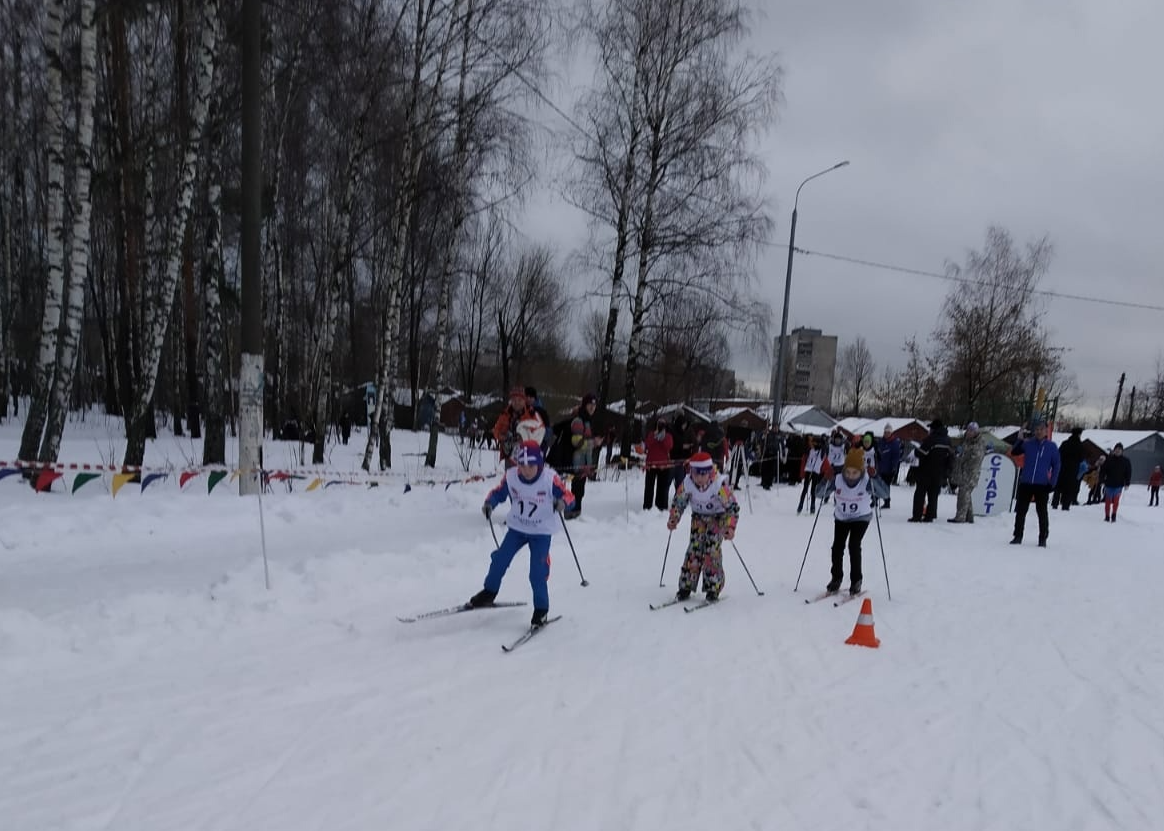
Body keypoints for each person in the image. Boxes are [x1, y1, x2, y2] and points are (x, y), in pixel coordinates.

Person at [468, 441, 573, 627]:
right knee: (499, 560)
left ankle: (541, 609)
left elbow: (568, 496)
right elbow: (498, 492)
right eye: (521, 465)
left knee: (537, 572)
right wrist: (489, 503)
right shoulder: (512, 477)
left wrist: (563, 503)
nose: (525, 470)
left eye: (530, 466)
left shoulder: (549, 478)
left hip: (541, 532)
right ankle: (489, 592)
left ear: (539, 464)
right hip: (517, 528)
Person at [666, 451, 740, 602]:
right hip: (698, 519)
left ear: (710, 472)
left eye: (703, 474)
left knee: (711, 552)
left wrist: (730, 527)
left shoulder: (718, 485)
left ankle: (713, 589)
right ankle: (685, 586)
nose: (699, 478)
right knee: (694, 551)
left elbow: (732, 507)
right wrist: (674, 517)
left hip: (717, 519)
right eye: (696, 474)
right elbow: (679, 501)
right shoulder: (688, 483)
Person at [816, 448, 889, 596]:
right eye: (848, 472)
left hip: (860, 518)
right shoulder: (837, 479)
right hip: (841, 517)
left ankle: (856, 581)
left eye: (855, 473)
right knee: (837, 547)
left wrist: (876, 478)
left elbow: (885, 494)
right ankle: (836, 578)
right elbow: (818, 493)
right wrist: (826, 479)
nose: (850, 476)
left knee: (854, 545)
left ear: (861, 471)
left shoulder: (867, 481)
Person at [1009, 418, 1061, 547]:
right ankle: (1018, 535)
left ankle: (1042, 538)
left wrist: (1052, 483)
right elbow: (1015, 452)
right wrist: (1020, 438)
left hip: (1042, 484)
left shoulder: (1051, 447)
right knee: (1021, 511)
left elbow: (1057, 465)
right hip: (1026, 482)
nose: (1038, 432)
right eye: (1036, 429)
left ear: (1046, 431)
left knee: (1042, 512)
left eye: (1041, 429)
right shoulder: (1028, 444)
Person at [565, 392, 602, 519]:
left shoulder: (587, 420)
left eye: (594, 405)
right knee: (577, 489)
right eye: (590, 404)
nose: (592, 407)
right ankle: (571, 513)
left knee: (580, 490)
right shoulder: (578, 420)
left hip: (584, 462)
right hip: (577, 461)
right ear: (584, 405)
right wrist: (593, 442)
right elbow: (577, 442)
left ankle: (576, 512)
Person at [909, 419, 952, 522]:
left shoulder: (931, 439)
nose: (930, 429)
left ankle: (917, 515)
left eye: (931, 428)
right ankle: (930, 515)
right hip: (939, 472)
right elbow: (950, 456)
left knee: (920, 494)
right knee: (933, 495)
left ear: (934, 429)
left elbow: (921, 453)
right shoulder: (947, 440)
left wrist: (915, 450)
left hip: (926, 471)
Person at [492, 388, 547, 466]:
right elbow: (496, 430)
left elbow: (541, 430)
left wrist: (525, 438)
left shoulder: (533, 414)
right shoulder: (505, 413)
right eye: (514, 400)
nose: (516, 403)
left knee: (526, 476)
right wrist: (500, 436)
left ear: (524, 401)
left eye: (519, 400)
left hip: (528, 454)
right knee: (511, 476)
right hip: (509, 454)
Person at [948, 422, 986, 523]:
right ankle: (969, 517)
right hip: (963, 472)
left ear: (976, 432)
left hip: (970, 473)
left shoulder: (979, 443)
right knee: (966, 495)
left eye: (971, 431)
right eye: (968, 430)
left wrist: (962, 459)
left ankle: (960, 517)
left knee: (963, 495)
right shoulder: (967, 442)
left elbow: (975, 458)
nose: (969, 432)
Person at [643, 418, 673, 511]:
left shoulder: (668, 436)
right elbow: (647, 445)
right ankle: (647, 506)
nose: (660, 426)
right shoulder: (651, 434)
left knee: (662, 487)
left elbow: (669, 446)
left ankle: (661, 507)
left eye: (662, 425)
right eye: (659, 424)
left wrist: (662, 438)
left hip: (663, 465)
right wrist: (655, 436)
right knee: (649, 487)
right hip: (651, 464)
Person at [1099, 443, 1133, 522]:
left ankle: (1114, 515)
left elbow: (1128, 472)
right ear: (1114, 450)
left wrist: (1127, 483)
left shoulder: (1126, 461)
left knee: (1116, 501)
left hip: (1119, 484)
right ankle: (1107, 516)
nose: (1117, 451)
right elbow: (1103, 471)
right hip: (1109, 484)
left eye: (1119, 450)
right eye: (1116, 450)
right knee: (1108, 501)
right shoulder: (1109, 459)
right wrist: (1102, 480)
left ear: (1122, 451)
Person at [1053, 427, 1085, 510]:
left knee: (1058, 487)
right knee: (1069, 488)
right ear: (1079, 434)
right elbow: (1081, 458)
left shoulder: (1065, 443)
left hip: (1062, 468)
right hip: (1073, 470)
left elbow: (1059, 454)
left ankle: (1055, 503)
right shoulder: (1080, 446)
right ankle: (1065, 505)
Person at [876, 425, 903, 509]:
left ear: (891, 433)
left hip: (888, 468)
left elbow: (896, 456)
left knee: (885, 486)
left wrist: (894, 467)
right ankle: (875, 500)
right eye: (885, 432)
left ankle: (887, 501)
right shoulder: (881, 441)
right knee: (877, 484)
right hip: (880, 467)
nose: (886, 434)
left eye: (888, 432)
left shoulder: (894, 443)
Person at [797, 435, 825, 514]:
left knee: (813, 490)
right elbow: (805, 450)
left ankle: (812, 506)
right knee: (805, 488)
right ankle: (800, 504)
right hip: (808, 470)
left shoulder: (821, 451)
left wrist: (822, 444)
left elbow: (824, 451)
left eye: (814, 443)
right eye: (812, 443)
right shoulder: (810, 450)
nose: (812, 445)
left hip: (816, 471)